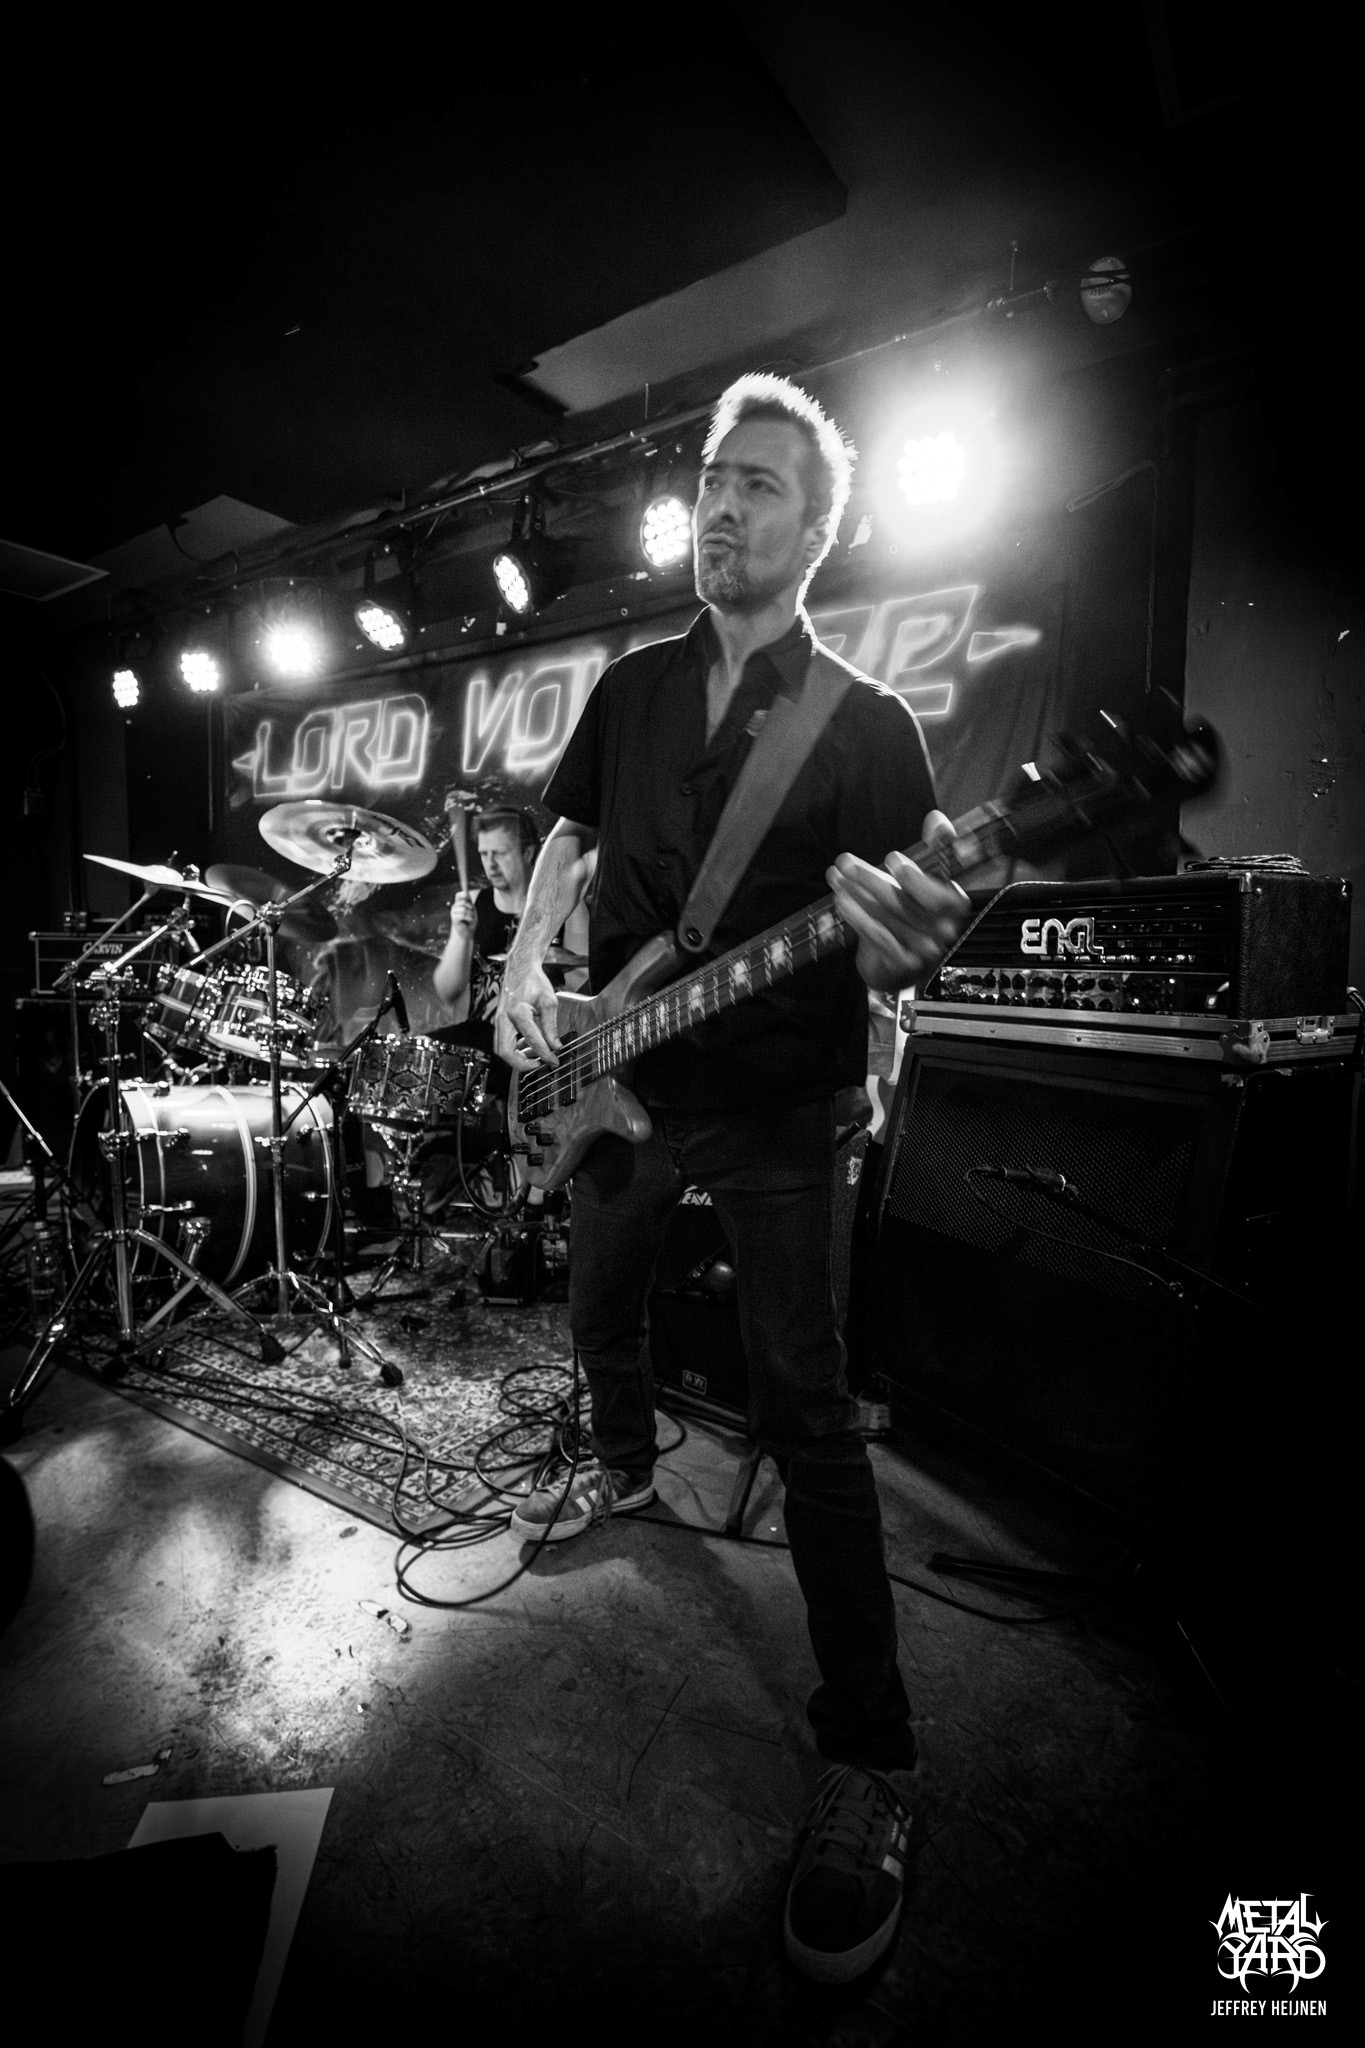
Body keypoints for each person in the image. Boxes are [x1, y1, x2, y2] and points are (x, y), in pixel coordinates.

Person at [494, 371, 969, 1984]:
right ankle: (625, 1473)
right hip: (617, 1072)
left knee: (804, 1413)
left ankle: (873, 1754)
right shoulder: (629, 686)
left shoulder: (869, 724)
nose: (721, 503)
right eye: (712, 479)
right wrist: (526, 960)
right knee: (596, 1315)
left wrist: (908, 952)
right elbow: (565, 836)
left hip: (775, 1104)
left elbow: (908, 929)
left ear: (816, 528)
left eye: (758, 484)